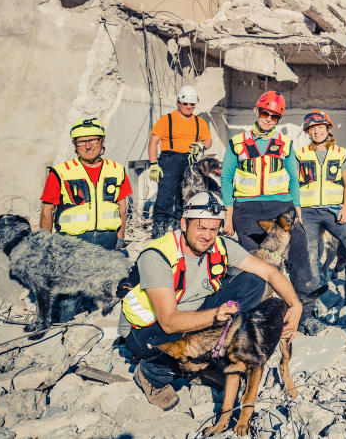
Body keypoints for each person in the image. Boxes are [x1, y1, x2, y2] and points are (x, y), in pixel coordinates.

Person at [122, 192, 302, 410]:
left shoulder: (220, 245)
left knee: (254, 281)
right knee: (177, 339)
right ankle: (152, 375)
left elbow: (271, 274)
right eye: (201, 227)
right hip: (149, 328)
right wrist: (216, 316)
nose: (207, 235)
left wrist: (295, 304)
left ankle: (207, 359)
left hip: (196, 311)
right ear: (184, 223)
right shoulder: (158, 255)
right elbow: (169, 321)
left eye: (213, 229)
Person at [220, 91, 312, 320]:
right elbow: (226, 178)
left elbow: (293, 178)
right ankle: (254, 314)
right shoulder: (237, 143)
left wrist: (298, 211)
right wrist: (228, 214)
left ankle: (305, 314)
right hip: (246, 211)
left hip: (280, 208)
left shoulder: (285, 144)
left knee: (300, 258)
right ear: (257, 111)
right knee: (253, 265)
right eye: (265, 113)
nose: (268, 119)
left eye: (274, 116)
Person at [294, 109, 346, 309]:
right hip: (308, 211)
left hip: (333, 211)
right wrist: (296, 209)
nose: (317, 131)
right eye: (312, 129)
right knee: (310, 252)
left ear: (328, 129)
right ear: (307, 132)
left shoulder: (341, 153)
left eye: (321, 127)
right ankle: (311, 301)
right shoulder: (300, 154)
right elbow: (294, 183)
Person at [40, 118, 131, 250]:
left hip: (108, 242)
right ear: (74, 144)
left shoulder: (117, 170)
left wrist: (120, 236)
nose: (88, 146)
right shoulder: (60, 172)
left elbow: (122, 207)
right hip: (71, 244)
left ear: (102, 140)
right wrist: (45, 244)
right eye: (81, 142)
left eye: (93, 140)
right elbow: (47, 210)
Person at [148, 85, 212, 238]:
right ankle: (159, 233)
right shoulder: (166, 120)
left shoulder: (199, 122)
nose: (189, 107)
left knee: (185, 196)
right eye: (186, 104)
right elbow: (153, 142)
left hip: (189, 161)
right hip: (169, 160)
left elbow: (208, 140)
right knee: (165, 196)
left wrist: (201, 146)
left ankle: (180, 231)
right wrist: (153, 164)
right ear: (178, 102)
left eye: (192, 104)